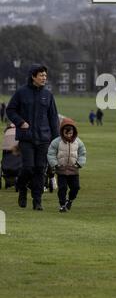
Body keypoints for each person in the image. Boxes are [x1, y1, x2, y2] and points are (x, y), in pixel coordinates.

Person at [6, 64, 59, 210]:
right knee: (28, 168)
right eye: (41, 75)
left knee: (40, 169)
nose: (44, 78)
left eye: (45, 76)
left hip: (44, 138)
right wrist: (20, 122)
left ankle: (37, 201)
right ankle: (21, 187)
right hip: (26, 138)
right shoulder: (21, 93)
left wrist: (56, 140)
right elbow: (10, 110)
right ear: (33, 76)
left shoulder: (48, 95)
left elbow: (53, 118)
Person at [47, 118, 86, 212]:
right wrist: (55, 164)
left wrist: (79, 163)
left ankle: (70, 200)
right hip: (61, 169)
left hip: (74, 169)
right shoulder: (56, 142)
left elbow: (82, 153)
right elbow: (51, 153)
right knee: (62, 188)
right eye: (66, 133)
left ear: (74, 132)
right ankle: (62, 205)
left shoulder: (78, 142)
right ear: (62, 132)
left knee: (76, 187)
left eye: (70, 133)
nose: (69, 135)